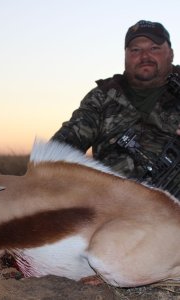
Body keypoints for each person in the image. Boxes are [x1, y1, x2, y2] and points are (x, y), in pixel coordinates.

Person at [52, 20, 180, 196]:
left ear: (171, 54)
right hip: (113, 211)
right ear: (126, 56)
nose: (145, 56)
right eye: (135, 50)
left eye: (154, 48)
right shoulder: (102, 97)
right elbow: (56, 153)